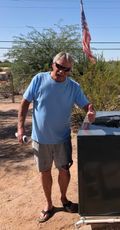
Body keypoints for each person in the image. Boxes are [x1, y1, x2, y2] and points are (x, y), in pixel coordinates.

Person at [17, 51, 96, 223]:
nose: (61, 71)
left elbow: (85, 104)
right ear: (53, 64)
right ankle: (49, 204)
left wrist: (90, 110)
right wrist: (21, 128)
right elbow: (24, 103)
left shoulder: (73, 86)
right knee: (44, 172)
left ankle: (64, 199)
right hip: (40, 139)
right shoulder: (39, 79)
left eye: (66, 69)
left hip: (62, 139)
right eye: (59, 66)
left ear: (70, 70)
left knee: (64, 171)